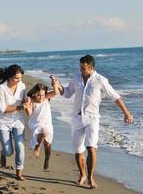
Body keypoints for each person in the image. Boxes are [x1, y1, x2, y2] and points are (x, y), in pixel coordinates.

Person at [51, 55, 134, 189]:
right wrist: (57, 84)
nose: (81, 70)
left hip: (92, 118)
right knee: (78, 150)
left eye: (83, 68)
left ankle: (90, 178)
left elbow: (115, 97)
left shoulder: (101, 80)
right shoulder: (76, 78)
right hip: (77, 118)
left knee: (91, 147)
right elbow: (66, 93)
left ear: (91, 67)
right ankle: (82, 175)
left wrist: (126, 113)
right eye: (80, 68)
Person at [0, 64, 27, 181]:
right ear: (10, 77)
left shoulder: (22, 86)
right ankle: (3, 152)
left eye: (20, 78)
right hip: (3, 121)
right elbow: (3, 109)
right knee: (8, 150)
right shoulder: (2, 88)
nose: (19, 80)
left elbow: (24, 101)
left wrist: (28, 101)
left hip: (17, 120)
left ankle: (19, 173)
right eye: (16, 78)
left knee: (20, 147)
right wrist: (20, 107)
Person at [24, 76, 59, 170]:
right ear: (34, 94)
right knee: (43, 132)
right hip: (35, 123)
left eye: (43, 95)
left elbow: (55, 92)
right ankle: (37, 147)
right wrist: (27, 106)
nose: (41, 97)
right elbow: (30, 114)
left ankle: (47, 158)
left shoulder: (46, 99)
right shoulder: (32, 101)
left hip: (47, 124)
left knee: (48, 145)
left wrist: (54, 83)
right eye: (39, 95)